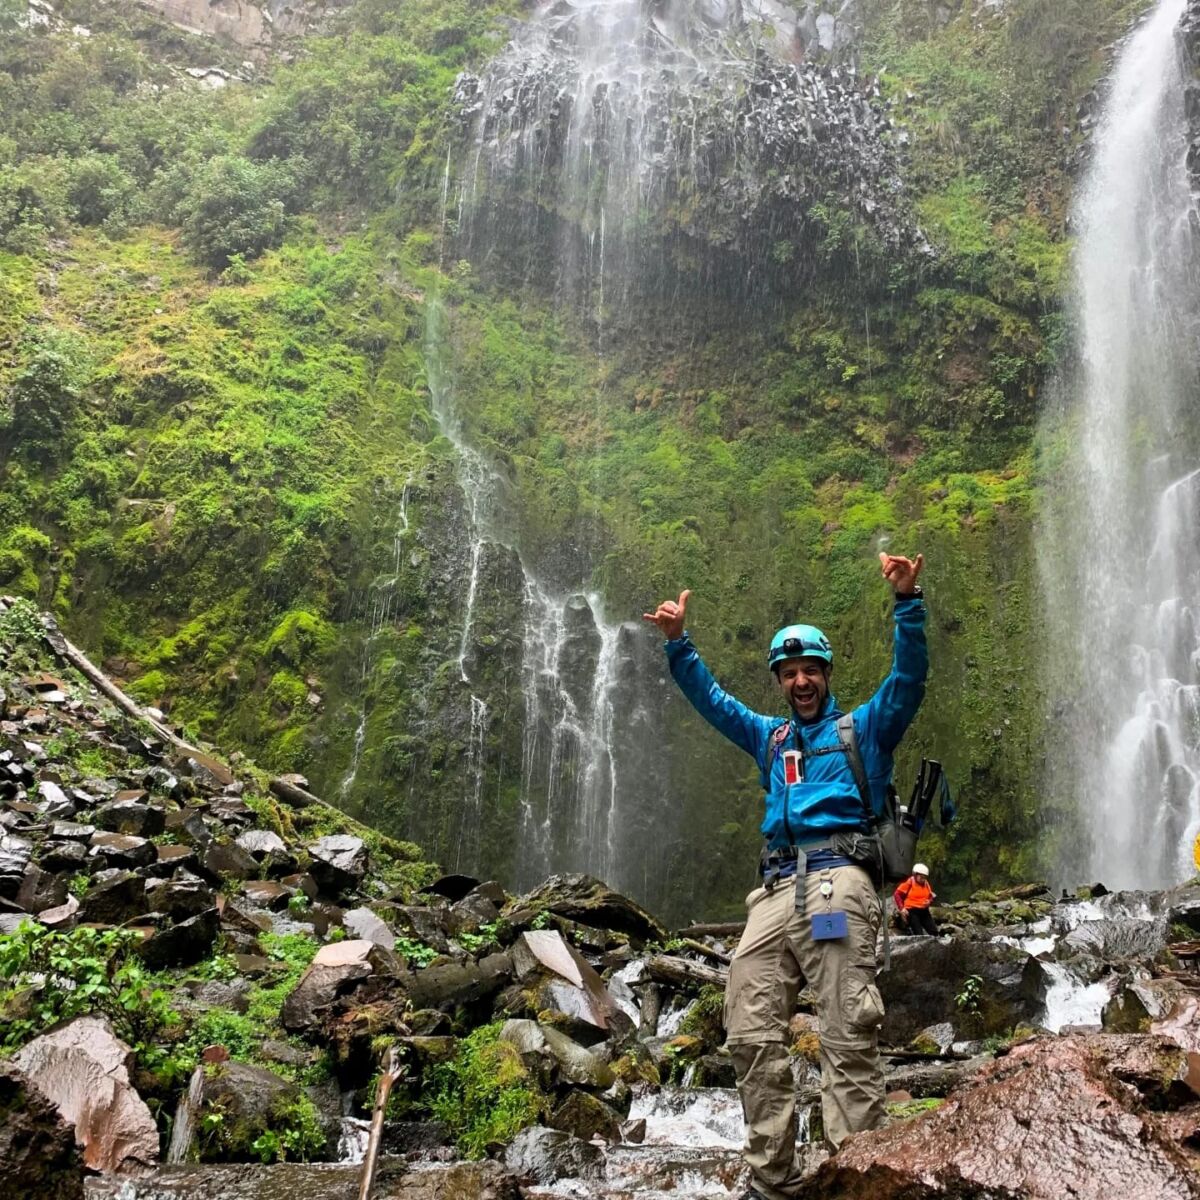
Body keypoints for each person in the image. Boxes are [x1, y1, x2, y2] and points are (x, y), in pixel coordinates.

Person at [643, 552, 927, 1199]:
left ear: (826, 674)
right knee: (747, 1027)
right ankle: (774, 1177)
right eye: (789, 672)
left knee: (846, 1029)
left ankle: (855, 1174)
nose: (800, 681)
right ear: (779, 679)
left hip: (840, 882)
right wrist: (680, 644)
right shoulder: (771, 740)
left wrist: (907, 603)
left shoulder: (865, 730)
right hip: (774, 891)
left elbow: (909, 680)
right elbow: (714, 704)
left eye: (810, 670)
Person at [893, 863, 938, 935]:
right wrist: (902, 908)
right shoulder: (910, 882)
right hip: (912, 911)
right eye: (921, 877)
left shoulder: (926, 883)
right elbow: (897, 894)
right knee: (918, 933)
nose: (923, 879)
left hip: (924, 911)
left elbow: (931, 895)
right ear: (915, 875)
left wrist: (929, 901)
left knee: (934, 932)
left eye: (924, 877)